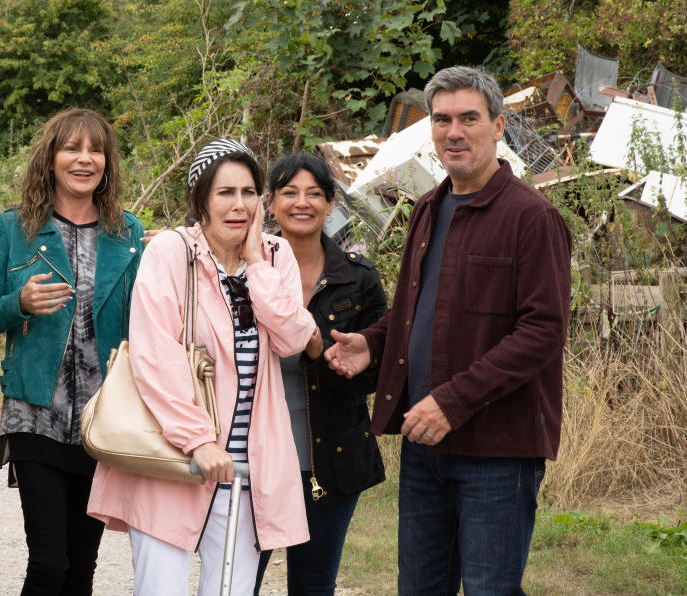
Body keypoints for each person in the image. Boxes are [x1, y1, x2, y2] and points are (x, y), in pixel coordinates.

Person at [324, 66, 572, 595]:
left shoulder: (532, 217)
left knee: (490, 589)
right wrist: (372, 342)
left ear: (499, 126)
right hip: (424, 448)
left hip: (497, 453)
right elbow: (414, 309)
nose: (453, 132)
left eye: (469, 119)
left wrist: (452, 402)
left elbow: (542, 332)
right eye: (442, 120)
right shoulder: (428, 208)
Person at [87, 139, 318, 596]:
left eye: (249, 192)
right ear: (200, 201)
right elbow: (155, 355)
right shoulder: (171, 251)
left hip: (246, 468)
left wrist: (254, 263)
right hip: (173, 456)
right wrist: (198, 440)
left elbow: (292, 338)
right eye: (224, 193)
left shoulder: (275, 256)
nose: (239, 205)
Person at [0, 107, 144, 596]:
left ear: (107, 163)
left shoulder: (129, 234)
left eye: (95, 150)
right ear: (50, 158)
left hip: (101, 419)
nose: (84, 159)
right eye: (72, 148)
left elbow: (144, 323)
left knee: (81, 567)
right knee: (48, 563)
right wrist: (18, 304)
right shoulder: (14, 228)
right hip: (33, 412)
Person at [253, 153, 387, 596]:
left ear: (331, 204)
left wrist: (319, 349)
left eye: (315, 193)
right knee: (236, 581)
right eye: (289, 192)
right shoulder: (246, 274)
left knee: (313, 586)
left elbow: (376, 375)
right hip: (256, 459)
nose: (302, 203)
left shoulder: (359, 279)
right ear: (269, 203)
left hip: (332, 459)